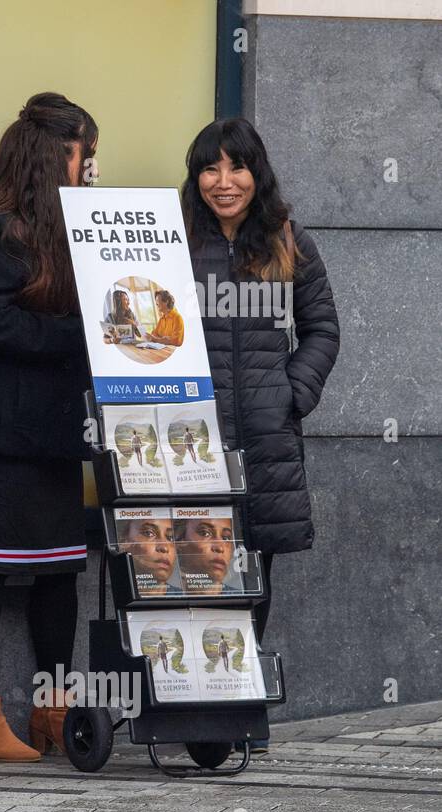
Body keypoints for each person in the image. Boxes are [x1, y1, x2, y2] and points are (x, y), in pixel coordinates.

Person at [0, 92, 97, 762]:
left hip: (58, 428)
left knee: (60, 570)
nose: (89, 167)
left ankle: (51, 710)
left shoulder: (73, 229)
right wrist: (76, 334)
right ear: (55, 154)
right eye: (84, 153)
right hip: (0, 430)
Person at [184, 118, 339, 752]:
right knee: (196, 567)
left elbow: (322, 329)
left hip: (266, 442)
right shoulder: (175, 240)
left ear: (257, 173)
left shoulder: (288, 241)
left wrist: (290, 395)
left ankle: (242, 705)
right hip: (191, 440)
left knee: (253, 574)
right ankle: (196, 708)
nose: (224, 183)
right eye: (211, 169)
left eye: (237, 167)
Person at [118, 514, 178, 597]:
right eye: (149, 533)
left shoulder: (187, 597)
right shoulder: (113, 595)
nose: (164, 547)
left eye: (171, 538)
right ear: (124, 542)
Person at [175, 513, 236, 595]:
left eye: (226, 538)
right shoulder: (163, 596)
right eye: (205, 533)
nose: (220, 548)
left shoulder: (241, 595)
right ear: (179, 541)